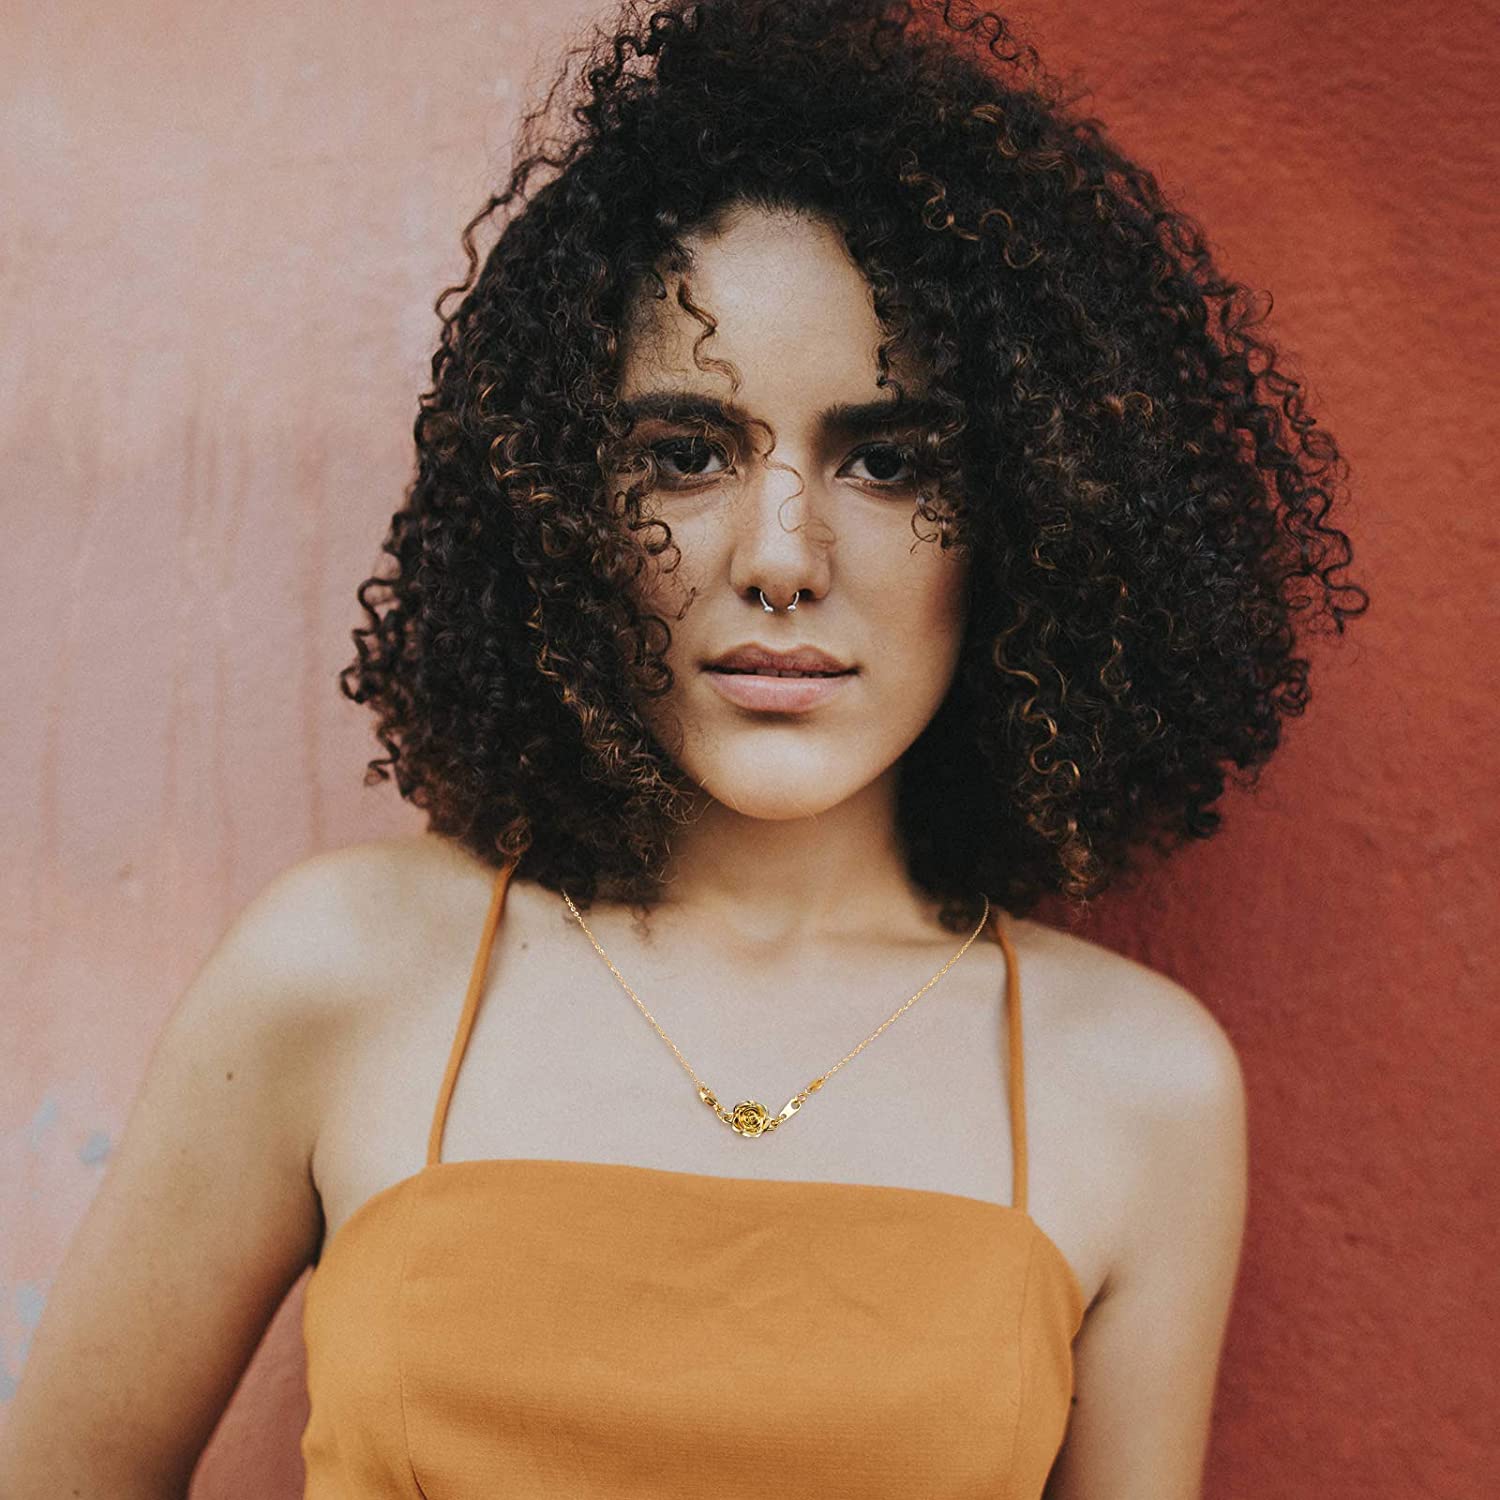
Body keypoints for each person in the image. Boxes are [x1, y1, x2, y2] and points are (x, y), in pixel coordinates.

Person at [0, 0, 1368, 1496]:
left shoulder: (1139, 1086)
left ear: (1033, 518)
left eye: (889, 460)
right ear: (560, 503)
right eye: (685, 455)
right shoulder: (340, 973)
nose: (781, 557)